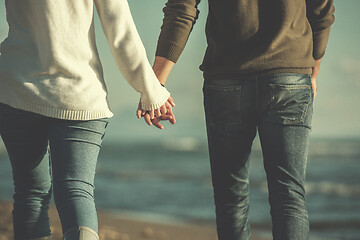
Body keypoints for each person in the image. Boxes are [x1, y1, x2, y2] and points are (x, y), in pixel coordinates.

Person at [142, 0, 335, 239]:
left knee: (231, 197)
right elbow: (321, 9)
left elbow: (182, 8)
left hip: (227, 76)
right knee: (288, 195)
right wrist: (313, 66)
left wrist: (156, 83)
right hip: (290, 72)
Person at [0, 0, 174, 239]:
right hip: (79, 94)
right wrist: (150, 90)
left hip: (16, 88)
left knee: (30, 193)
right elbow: (119, 29)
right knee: (76, 192)